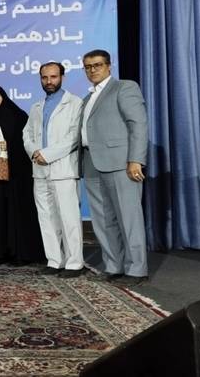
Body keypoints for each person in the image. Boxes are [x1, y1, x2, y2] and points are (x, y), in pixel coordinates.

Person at [80, 49, 149, 286]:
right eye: (88, 67)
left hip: (121, 163)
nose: (92, 70)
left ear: (109, 66)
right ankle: (113, 266)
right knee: (102, 220)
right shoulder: (87, 99)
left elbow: (138, 124)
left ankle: (136, 269)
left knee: (128, 218)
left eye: (97, 65)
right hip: (91, 162)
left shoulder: (124, 87)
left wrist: (135, 159)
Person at [23, 63, 84, 277]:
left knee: (68, 218)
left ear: (62, 77)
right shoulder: (36, 106)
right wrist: (34, 152)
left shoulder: (75, 103)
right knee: (46, 217)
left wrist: (47, 154)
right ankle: (54, 260)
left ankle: (74, 263)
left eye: (53, 77)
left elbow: (73, 137)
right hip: (39, 170)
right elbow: (27, 134)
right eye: (44, 77)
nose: (49, 81)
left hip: (63, 169)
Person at [0, 85, 43, 264]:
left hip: (17, 175)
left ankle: (21, 253)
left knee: (17, 211)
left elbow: (29, 141)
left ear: (3, 96)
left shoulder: (19, 116)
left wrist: (9, 146)